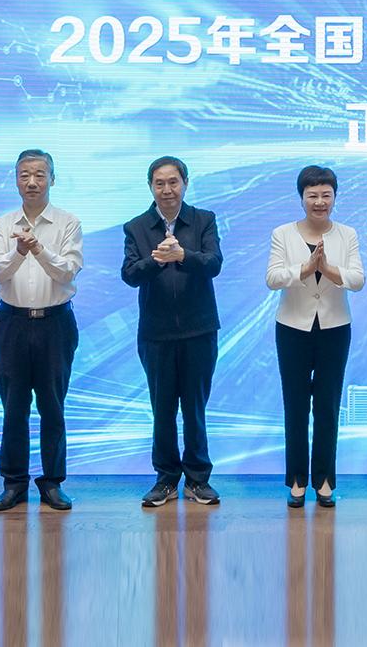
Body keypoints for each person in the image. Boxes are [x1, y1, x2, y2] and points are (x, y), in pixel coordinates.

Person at [0, 148, 84, 512]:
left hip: (56, 324)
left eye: (40, 174)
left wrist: (38, 249)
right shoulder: (2, 224)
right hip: (11, 324)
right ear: (16, 180)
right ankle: (14, 484)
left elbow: (67, 271)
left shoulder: (68, 223)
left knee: (53, 406)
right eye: (24, 175)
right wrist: (19, 252)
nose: (32, 182)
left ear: (52, 179)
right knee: (14, 408)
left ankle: (53, 483)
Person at [121, 156, 224, 507]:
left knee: (195, 408)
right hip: (156, 333)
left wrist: (182, 255)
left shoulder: (203, 220)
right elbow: (130, 274)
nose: (167, 189)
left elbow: (213, 264)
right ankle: (165, 479)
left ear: (185, 184)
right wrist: (157, 260)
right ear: (151, 187)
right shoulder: (136, 227)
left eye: (173, 182)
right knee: (162, 409)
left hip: (200, 330)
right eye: (160, 183)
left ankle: (198, 479)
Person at [265, 165, 365, 509]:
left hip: (335, 329)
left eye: (326, 195)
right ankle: (296, 481)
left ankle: (324, 481)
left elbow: (358, 279)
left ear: (334, 197)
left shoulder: (347, 234)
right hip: (292, 328)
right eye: (313, 195)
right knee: (294, 405)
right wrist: (306, 269)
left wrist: (328, 270)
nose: (320, 202)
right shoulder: (283, 234)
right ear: (301, 198)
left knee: (327, 406)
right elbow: (273, 278)